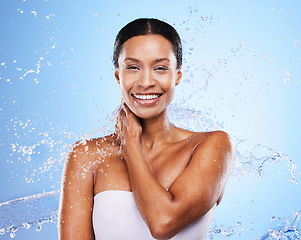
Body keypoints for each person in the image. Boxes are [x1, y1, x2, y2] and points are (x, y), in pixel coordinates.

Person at [58, 18, 234, 240]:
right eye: (132, 67)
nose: (146, 81)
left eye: (160, 68)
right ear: (117, 75)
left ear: (177, 76)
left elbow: (163, 223)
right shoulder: (86, 156)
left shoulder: (210, 146)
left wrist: (131, 145)